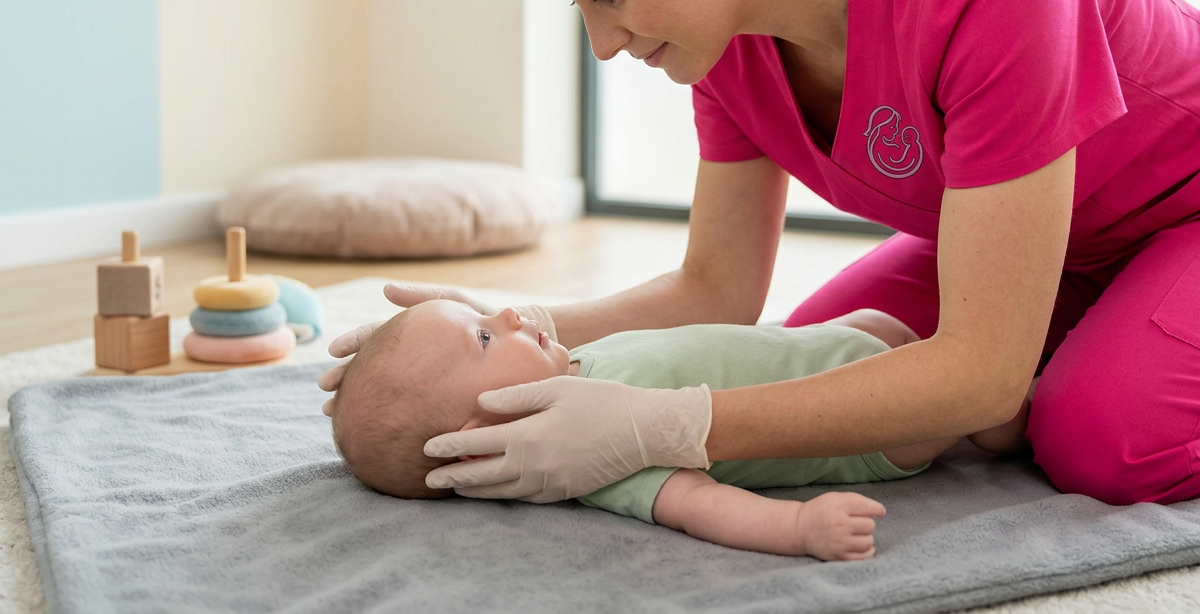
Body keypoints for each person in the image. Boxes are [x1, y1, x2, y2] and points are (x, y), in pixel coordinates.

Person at [320, 0, 1200, 508]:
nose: (603, 43)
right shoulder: (729, 40)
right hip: (1064, 243)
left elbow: (981, 377)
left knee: (1101, 444)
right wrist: (496, 327)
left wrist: (668, 427)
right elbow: (715, 294)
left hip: (1183, 217)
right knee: (812, 362)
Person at [327, 298, 1010, 560]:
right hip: (870, 428)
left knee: (894, 325)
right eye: (481, 335)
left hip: (836, 344)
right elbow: (697, 506)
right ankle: (1016, 415)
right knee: (987, 407)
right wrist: (800, 529)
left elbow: (700, 295)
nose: (507, 311)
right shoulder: (587, 461)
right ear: (480, 431)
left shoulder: (577, 369)